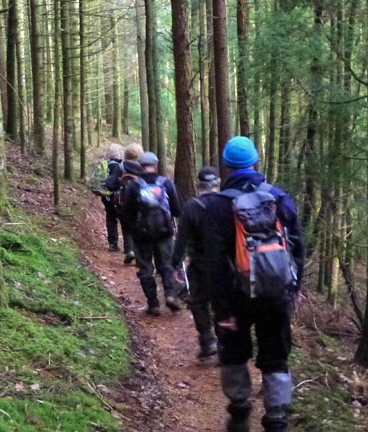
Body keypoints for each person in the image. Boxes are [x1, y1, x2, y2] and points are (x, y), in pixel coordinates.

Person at [202, 136, 304, 432]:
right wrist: (293, 290)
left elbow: (216, 264)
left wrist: (220, 310)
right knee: (276, 355)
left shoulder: (217, 206)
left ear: (227, 166)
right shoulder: (279, 197)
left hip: (235, 297)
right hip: (275, 293)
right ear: (255, 162)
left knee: (233, 353)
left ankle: (239, 411)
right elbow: (298, 246)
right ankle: (276, 418)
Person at [121, 151, 182, 315]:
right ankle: (170, 295)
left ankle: (153, 304)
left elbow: (127, 212)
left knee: (146, 268)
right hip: (165, 232)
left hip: (142, 235)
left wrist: (134, 227)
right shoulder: (166, 183)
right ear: (156, 165)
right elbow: (176, 209)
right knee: (167, 264)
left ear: (140, 166)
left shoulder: (134, 185)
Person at [171, 166, 220, 362]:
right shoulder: (227, 204)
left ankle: (207, 341)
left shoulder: (191, 206)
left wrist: (175, 264)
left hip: (199, 265)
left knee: (199, 302)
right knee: (222, 303)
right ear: (217, 183)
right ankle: (225, 344)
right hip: (225, 266)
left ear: (199, 185)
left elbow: (181, 239)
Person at [106, 143, 144, 264]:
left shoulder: (121, 167)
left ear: (126, 154)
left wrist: (118, 184)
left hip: (123, 202)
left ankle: (129, 250)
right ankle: (139, 255)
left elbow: (110, 184)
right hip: (140, 203)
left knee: (126, 226)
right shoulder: (143, 168)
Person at [97, 143, 124, 252]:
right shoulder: (118, 166)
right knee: (123, 218)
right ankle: (128, 247)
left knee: (111, 218)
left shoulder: (104, 164)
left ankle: (113, 243)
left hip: (105, 196)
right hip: (117, 196)